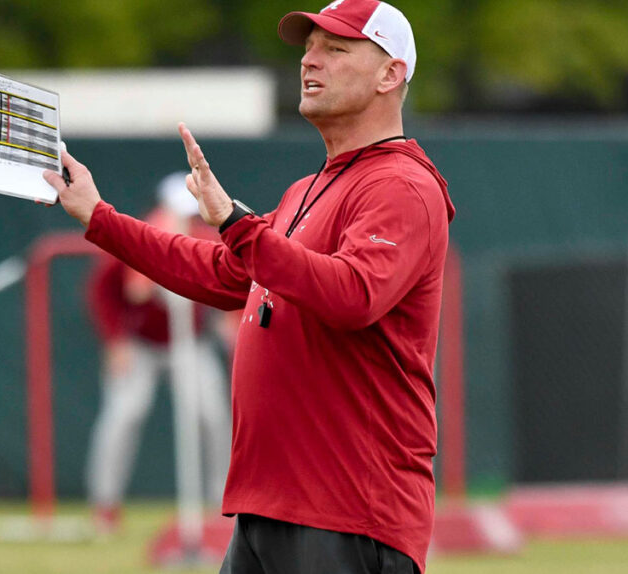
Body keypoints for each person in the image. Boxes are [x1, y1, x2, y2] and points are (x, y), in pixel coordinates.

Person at [43, 1, 454, 572]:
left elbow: (354, 295)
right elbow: (223, 272)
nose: (310, 61)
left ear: (392, 75)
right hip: (273, 508)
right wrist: (99, 217)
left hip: (349, 510)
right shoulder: (307, 188)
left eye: (335, 49)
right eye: (308, 48)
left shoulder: (402, 185)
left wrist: (238, 225)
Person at [85, 173, 232, 534]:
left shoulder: (206, 238)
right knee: (123, 415)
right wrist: (115, 340)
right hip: (141, 345)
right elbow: (104, 291)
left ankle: (224, 509)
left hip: (192, 344)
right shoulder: (133, 238)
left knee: (211, 416)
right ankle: (105, 507)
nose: (184, 223)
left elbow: (232, 278)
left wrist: (230, 321)